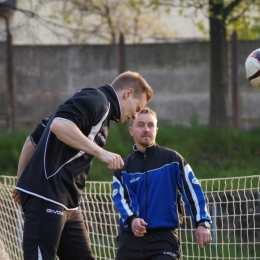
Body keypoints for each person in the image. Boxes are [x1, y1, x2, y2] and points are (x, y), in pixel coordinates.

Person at [11, 71, 153, 260]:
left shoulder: (102, 110)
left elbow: (33, 140)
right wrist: (101, 152)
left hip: (68, 204)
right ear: (127, 93)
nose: (135, 115)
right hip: (47, 196)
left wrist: (21, 183)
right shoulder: (97, 100)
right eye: (137, 107)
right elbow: (59, 126)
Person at [112, 107, 212, 260]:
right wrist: (132, 220)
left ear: (156, 130)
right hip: (130, 240)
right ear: (131, 131)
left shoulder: (173, 159)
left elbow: (193, 190)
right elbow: (121, 198)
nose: (146, 129)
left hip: (164, 240)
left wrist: (202, 223)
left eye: (150, 125)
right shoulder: (123, 167)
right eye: (141, 125)